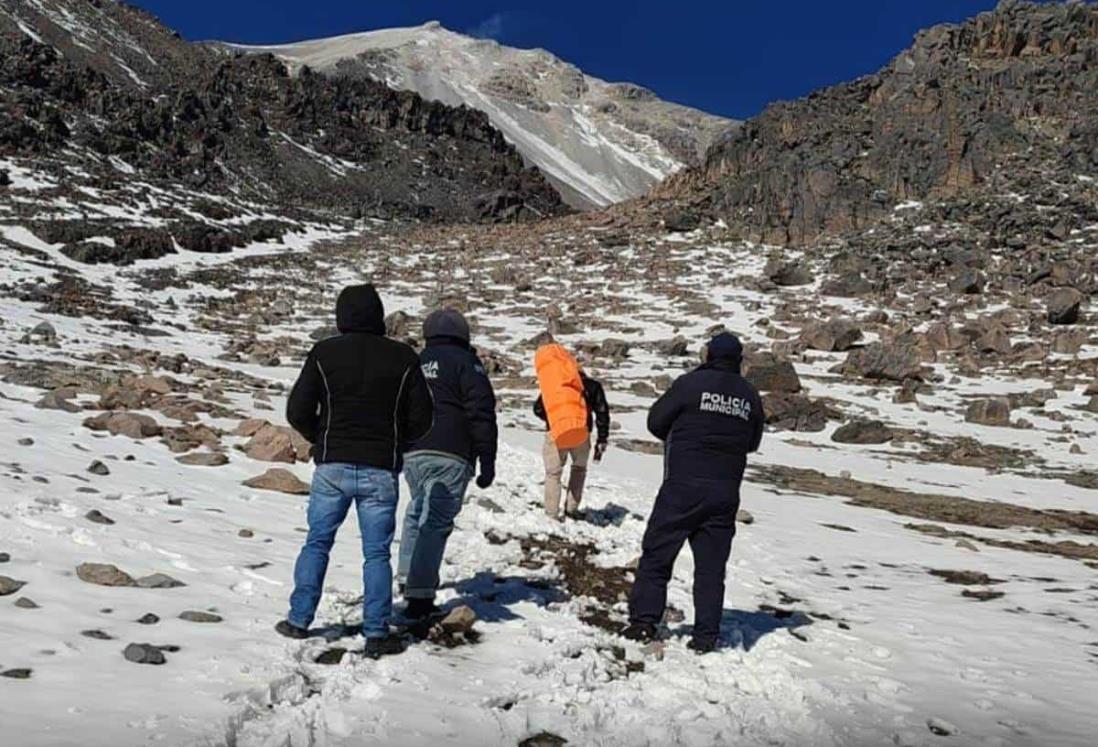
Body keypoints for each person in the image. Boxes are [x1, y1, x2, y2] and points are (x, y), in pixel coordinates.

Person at [276, 284, 434, 660]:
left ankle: (299, 620)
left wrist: (323, 438)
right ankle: (376, 631)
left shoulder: (324, 353)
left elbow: (297, 410)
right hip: (380, 467)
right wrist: (396, 444)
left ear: (341, 315)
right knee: (376, 553)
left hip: (332, 464)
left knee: (317, 542)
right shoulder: (403, 357)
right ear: (377, 315)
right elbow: (423, 418)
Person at [623, 332, 764, 654]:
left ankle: (643, 622)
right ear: (738, 360)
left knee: (658, 555)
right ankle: (705, 636)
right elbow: (753, 443)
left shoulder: (689, 385)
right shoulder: (749, 395)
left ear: (708, 356)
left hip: (682, 486)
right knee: (711, 569)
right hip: (725, 492)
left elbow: (656, 421)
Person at [397, 308, 498, 620]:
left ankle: (406, 575)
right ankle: (420, 593)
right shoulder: (467, 364)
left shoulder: (416, 362)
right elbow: (481, 412)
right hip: (451, 451)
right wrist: (487, 460)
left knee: (417, 510)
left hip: (414, 451)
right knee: (436, 521)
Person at [533, 364, 610, 520]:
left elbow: (538, 409)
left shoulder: (556, 385)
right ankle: (572, 509)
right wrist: (602, 438)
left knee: (553, 473)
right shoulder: (592, 386)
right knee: (579, 469)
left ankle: (551, 513)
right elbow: (602, 413)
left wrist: (555, 420)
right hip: (581, 433)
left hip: (556, 433)